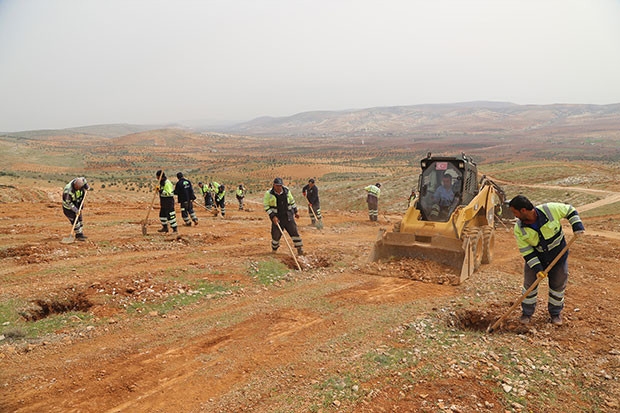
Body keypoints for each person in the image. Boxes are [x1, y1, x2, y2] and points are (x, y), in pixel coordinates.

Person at [508, 195, 585, 326]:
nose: (514, 216)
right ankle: (526, 313)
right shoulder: (519, 228)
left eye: (515, 212)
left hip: (558, 257)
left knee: (557, 287)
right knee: (529, 287)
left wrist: (577, 225)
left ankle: (555, 314)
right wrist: (537, 269)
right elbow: (527, 251)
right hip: (536, 258)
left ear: (523, 210)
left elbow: (570, 210)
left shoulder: (550, 210)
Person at [264, 177, 304, 256]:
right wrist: (273, 216)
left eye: (280, 185)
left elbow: (292, 201)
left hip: (288, 216)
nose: (279, 187)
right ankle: (274, 250)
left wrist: (296, 211)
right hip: (277, 218)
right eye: (277, 185)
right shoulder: (269, 194)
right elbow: (266, 207)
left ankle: (299, 248)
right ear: (274, 185)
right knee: (276, 235)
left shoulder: (286, 191)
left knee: (294, 232)